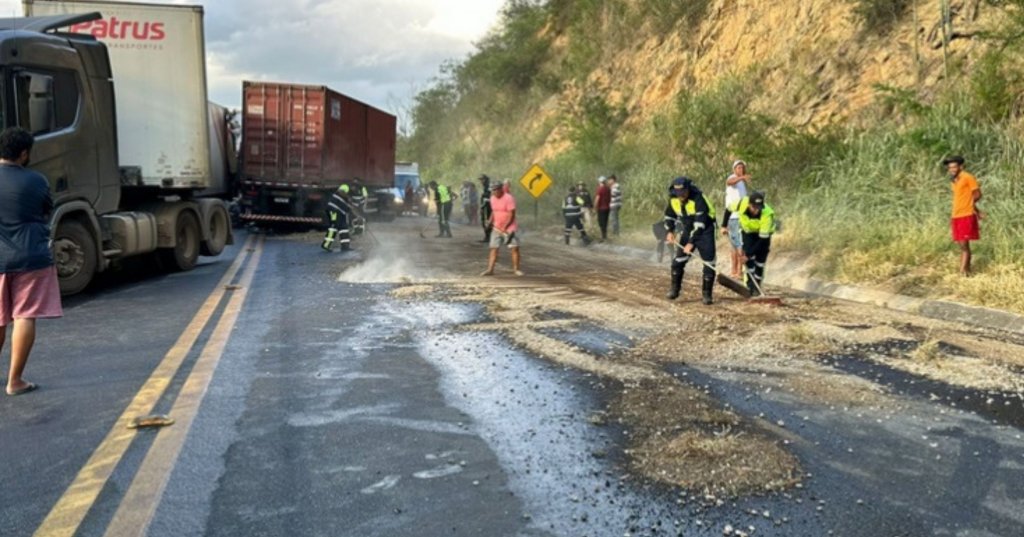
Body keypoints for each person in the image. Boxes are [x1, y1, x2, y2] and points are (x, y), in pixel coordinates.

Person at [0, 127, 63, 396]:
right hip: (31, 257)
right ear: (24, 153)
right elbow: (46, 209)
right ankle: (14, 381)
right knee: (24, 315)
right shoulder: (37, 180)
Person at [663, 177, 717, 304]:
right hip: (688, 229)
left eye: (683, 192)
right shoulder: (673, 199)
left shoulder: (698, 198)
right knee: (678, 261)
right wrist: (670, 231)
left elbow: (700, 225)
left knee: (709, 263)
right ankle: (674, 290)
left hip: (705, 230)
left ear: (688, 189)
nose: (680, 195)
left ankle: (707, 295)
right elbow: (669, 216)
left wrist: (691, 243)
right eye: (678, 193)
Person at [723, 191, 776, 296]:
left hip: (763, 237)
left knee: (759, 263)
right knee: (749, 263)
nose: (756, 210)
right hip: (748, 234)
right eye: (754, 207)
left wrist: (748, 255)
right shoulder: (742, 203)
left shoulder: (767, 214)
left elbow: (762, 240)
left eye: (759, 208)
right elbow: (728, 210)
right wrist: (724, 226)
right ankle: (749, 287)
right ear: (749, 204)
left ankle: (757, 287)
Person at [944, 156, 983, 276]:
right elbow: (963, 197)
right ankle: (967, 271)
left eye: (954, 167)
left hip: (966, 215)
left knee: (964, 245)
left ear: (961, 166)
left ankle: (963, 272)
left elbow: (977, 194)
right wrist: (977, 210)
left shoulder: (967, 177)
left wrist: (972, 208)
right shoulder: (954, 180)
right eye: (950, 167)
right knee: (962, 245)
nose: (952, 169)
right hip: (956, 215)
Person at [482, 182, 522, 276]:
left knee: (514, 248)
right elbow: (494, 211)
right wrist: (490, 221)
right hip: (497, 227)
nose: (493, 192)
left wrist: (505, 227)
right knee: (494, 248)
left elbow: (512, 214)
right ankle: (490, 270)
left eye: (495, 190)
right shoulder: (492, 198)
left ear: (501, 189)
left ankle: (516, 270)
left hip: (509, 228)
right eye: (492, 190)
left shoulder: (509, 198)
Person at [721, 160, 752, 278]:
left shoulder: (741, 183)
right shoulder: (733, 178)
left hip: (741, 217)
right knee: (738, 245)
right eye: (738, 168)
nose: (741, 170)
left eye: (742, 168)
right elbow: (729, 182)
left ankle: (736, 271)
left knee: (736, 245)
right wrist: (742, 177)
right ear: (734, 169)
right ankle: (737, 272)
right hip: (733, 217)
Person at [321, 184, 357, 251]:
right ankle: (326, 245)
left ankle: (345, 246)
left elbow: (346, 207)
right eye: (346, 193)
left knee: (344, 228)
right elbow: (347, 208)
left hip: (340, 213)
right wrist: (354, 213)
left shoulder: (341, 196)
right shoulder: (339, 197)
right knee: (333, 227)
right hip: (334, 212)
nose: (347, 194)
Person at [595, 176, 611, 241]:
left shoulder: (600, 189)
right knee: (605, 222)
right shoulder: (608, 189)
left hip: (601, 208)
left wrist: (595, 207)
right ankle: (605, 235)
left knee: (601, 222)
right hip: (607, 208)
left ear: (600, 181)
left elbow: (597, 199)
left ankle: (603, 236)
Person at [478, 174, 493, 243]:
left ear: (485, 179)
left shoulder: (488, 186)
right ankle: (488, 236)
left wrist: (482, 206)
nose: (481, 181)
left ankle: (488, 237)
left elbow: (488, 196)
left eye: (482, 179)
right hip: (486, 206)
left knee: (486, 221)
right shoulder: (485, 186)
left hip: (488, 206)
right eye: (480, 180)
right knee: (485, 221)